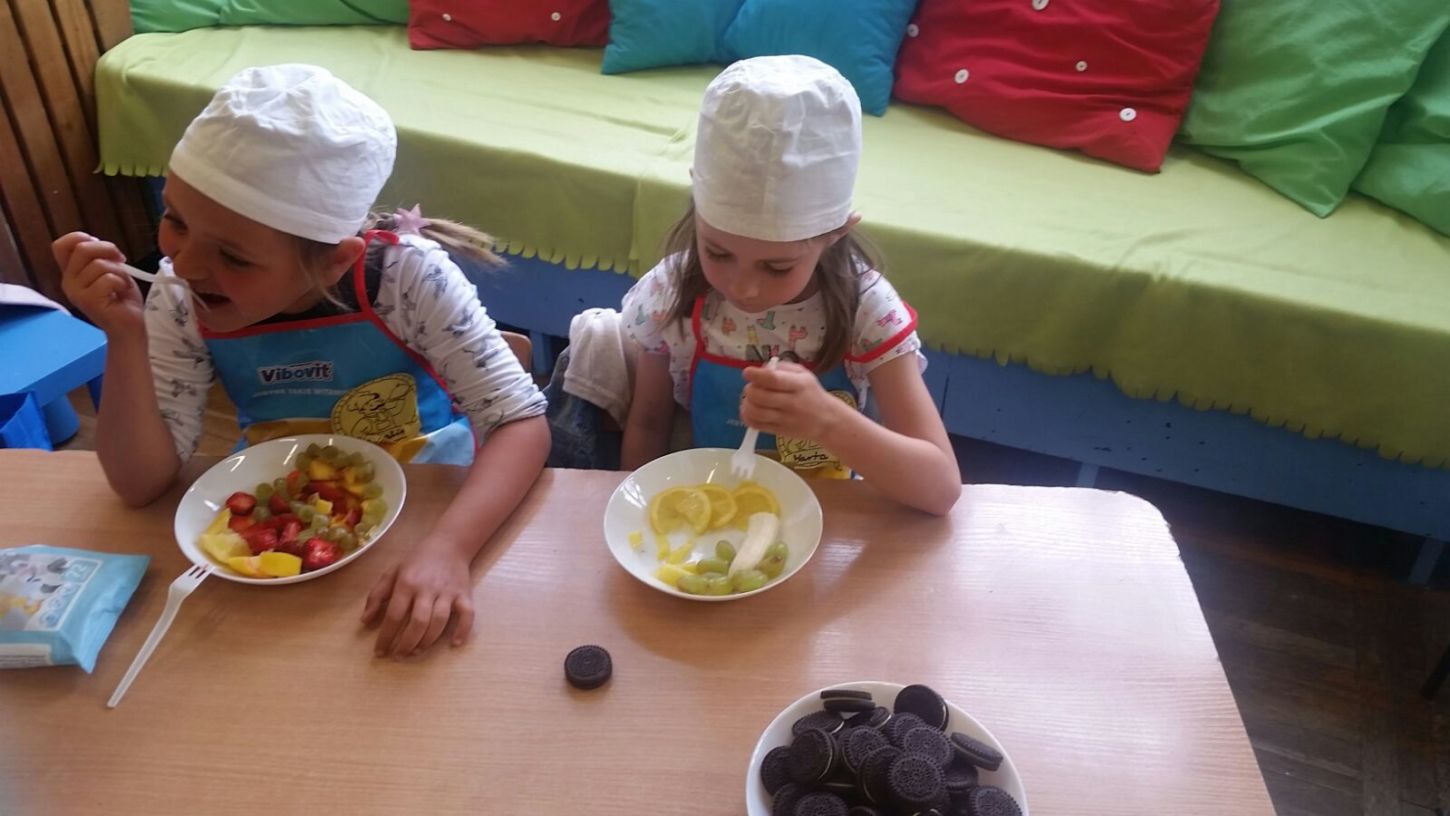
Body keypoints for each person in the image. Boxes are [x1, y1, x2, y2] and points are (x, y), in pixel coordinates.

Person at [54, 64, 550, 657]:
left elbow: (519, 423)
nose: (184, 264)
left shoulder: (406, 279)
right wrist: (124, 336)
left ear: (337, 261)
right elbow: (140, 485)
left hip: (433, 511)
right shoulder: (178, 295)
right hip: (277, 527)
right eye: (174, 221)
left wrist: (449, 548)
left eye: (234, 258)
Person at [618, 56, 960, 515]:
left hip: (830, 519)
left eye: (777, 267)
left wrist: (828, 421)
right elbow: (647, 424)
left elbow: (941, 488)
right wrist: (639, 518)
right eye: (717, 252)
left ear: (834, 233)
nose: (744, 288)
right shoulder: (672, 295)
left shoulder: (866, 311)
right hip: (713, 514)